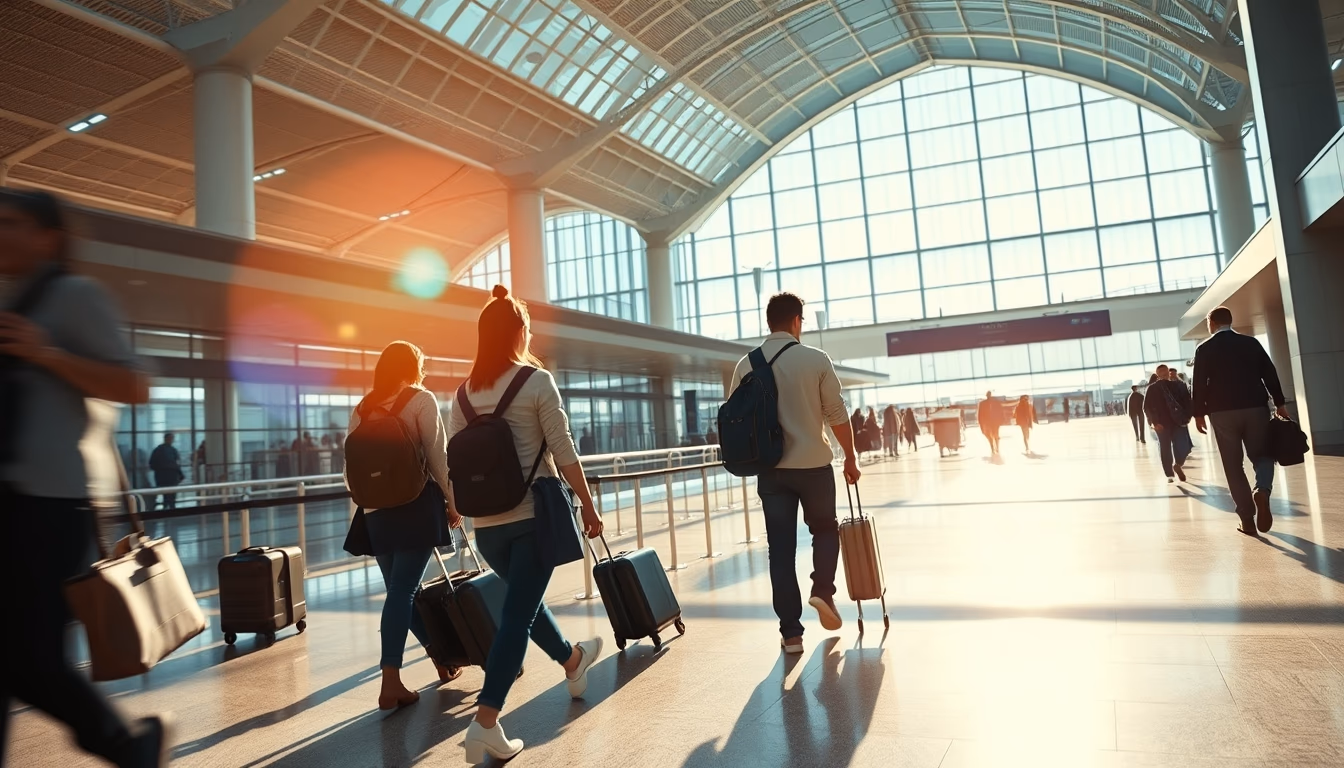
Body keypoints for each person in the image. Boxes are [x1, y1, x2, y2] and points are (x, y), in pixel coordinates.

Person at [0, 189, 171, 767]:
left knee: (31, 660)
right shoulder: (8, 296)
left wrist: (48, 353)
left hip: (47, 508)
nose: (0, 232)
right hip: (10, 504)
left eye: (11, 223)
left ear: (48, 236)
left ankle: (126, 744)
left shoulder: (71, 296)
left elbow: (136, 384)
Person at [449, 287, 604, 764]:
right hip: (532, 520)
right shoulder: (537, 382)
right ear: (519, 332)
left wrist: (460, 515)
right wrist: (588, 504)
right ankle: (485, 723)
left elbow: (454, 463)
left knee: (524, 605)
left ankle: (573, 662)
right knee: (517, 615)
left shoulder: (462, 394)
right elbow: (563, 450)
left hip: (488, 529)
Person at [729, 292, 860, 656]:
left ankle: (791, 634)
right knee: (824, 530)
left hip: (771, 473)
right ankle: (822, 591)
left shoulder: (746, 364)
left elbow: (737, 419)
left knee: (781, 551)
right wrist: (850, 457)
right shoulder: (815, 359)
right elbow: (836, 414)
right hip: (814, 466)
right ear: (797, 321)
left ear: (769, 322)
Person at [345, 341, 462, 715]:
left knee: (401, 592)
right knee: (403, 591)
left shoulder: (362, 408)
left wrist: (370, 501)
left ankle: (438, 656)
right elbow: (437, 456)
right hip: (414, 507)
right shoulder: (420, 400)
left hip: (376, 513)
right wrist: (453, 501)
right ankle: (390, 680)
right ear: (414, 367)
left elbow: (350, 470)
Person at [1191, 306, 1288, 535]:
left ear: (1211, 323)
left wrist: (1198, 413)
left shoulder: (1204, 348)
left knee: (1233, 465)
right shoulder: (1251, 343)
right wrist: (1280, 402)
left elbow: (1198, 383)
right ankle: (1262, 490)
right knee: (1262, 455)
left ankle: (1246, 519)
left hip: (1222, 412)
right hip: (1255, 407)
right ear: (1230, 321)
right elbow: (1269, 372)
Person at [1143, 364, 1193, 484]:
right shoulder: (1152, 389)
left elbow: (1187, 401)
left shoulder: (1178, 386)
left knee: (1184, 446)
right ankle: (1169, 473)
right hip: (1161, 424)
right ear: (1157, 374)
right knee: (1165, 448)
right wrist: (1154, 422)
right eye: (1161, 372)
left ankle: (1178, 464)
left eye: (1166, 371)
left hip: (1178, 422)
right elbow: (1146, 407)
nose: (1164, 374)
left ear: (1169, 372)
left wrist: (1188, 416)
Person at [148, 432, 182, 510]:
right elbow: (177, 464)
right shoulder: (172, 450)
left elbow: (152, 464)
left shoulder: (158, 450)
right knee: (171, 494)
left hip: (163, 476)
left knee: (167, 493)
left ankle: (167, 507)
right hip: (170, 476)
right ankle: (170, 507)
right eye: (171, 438)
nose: (171, 440)